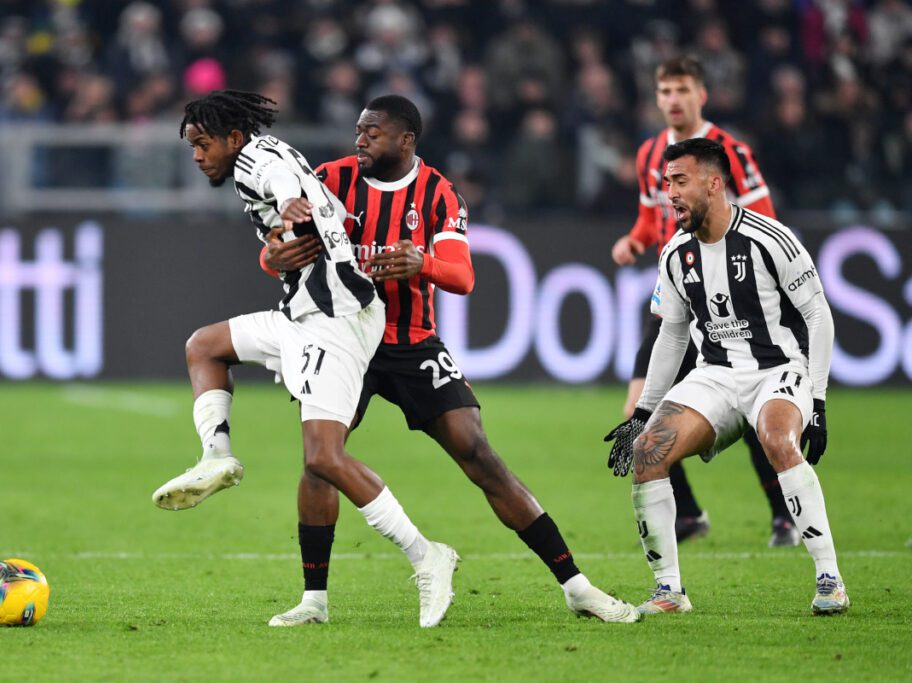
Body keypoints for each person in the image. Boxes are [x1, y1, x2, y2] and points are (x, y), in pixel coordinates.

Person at [259, 95, 639, 626]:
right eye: (358, 131)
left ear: (405, 139)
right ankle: (314, 601)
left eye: (372, 132)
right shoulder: (328, 179)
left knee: (479, 454)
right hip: (343, 339)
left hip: (412, 341)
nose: (360, 139)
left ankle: (577, 587)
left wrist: (423, 261)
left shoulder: (438, 193)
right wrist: (274, 254)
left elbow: (463, 277)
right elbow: (272, 249)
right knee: (321, 460)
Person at [151, 89, 459, 628]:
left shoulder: (257, 162)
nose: (198, 156)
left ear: (233, 138)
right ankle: (216, 457)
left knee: (323, 458)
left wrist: (295, 207)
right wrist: (289, 238)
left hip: (334, 321)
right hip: (302, 314)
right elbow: (329, 207)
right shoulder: (277, 150)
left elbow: (286, 189)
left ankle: (426, 554)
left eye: (203, 144)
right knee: (204, 346)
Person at [605, 137, 848, 616]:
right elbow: (671, 336)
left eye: (680, 181)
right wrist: (646, 412)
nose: (669, 194)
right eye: (665, 183)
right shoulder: (674, 253)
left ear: (714, 184)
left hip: (775, 370)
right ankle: (669, 591)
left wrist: (816, 401)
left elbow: (818, 315)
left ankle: (829, 578)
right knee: (647, 451)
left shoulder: (770, 239)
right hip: (714, 374)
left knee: (778, 439)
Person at [610, 56, 798, 547]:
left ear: (702, 94)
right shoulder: (649, 152)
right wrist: (633, 240)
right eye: (665, 91)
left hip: (729, 304)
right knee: (638, 411)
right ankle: (689, 514)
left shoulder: (730, 151)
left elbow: (766, 224)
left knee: (758, 406)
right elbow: (649, 220)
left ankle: (784, 515)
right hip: (676, 302)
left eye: (682, 89)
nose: (673, 99)